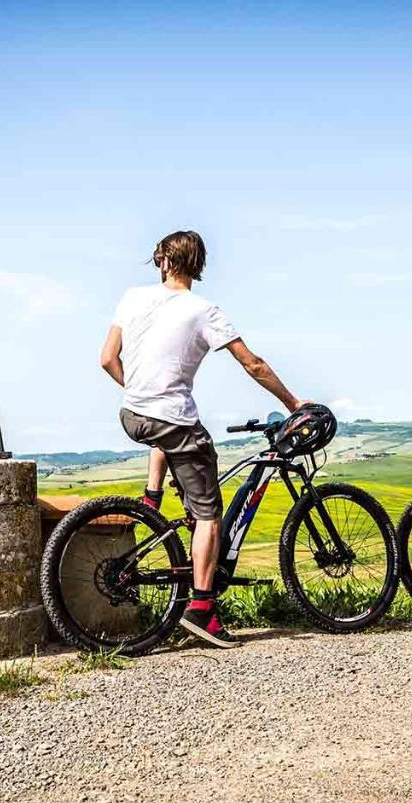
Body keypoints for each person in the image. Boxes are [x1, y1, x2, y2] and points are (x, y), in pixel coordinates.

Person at [100, 230, 305, 649]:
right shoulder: (203, 309)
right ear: (199, 265)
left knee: (185, 464)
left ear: (162, 260)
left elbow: (107, 359)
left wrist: (139, 395)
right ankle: (202, 611)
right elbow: (254, 364)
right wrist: (294, 404)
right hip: (172, 421)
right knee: (211, 515)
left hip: (132, 414)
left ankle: (158, 501)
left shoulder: (132, 297)